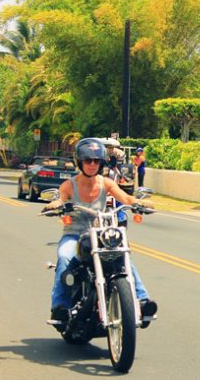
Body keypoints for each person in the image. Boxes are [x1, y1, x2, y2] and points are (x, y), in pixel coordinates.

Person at [44, 138, 157, 325]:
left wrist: (138, 202)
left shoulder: (106, 183)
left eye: (96, 161)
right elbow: (60, 198)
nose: (92, 164)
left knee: (123, 256)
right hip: (75, 234)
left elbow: (125, 197)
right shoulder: (69, 185)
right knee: (64, 258)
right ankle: (60, 308)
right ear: (80, 162)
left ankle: (142, 301)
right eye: (88, 160)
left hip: (101, 233)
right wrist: (56, 204)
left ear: (102, 162)